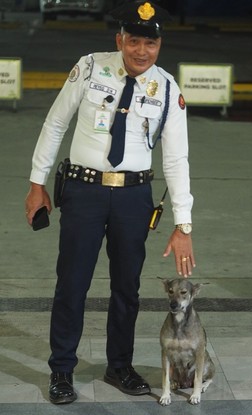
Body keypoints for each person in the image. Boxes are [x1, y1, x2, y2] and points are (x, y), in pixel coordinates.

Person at [24, 1, 195, 404]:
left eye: (150, 43)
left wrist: (183, 224)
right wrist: (37, 182)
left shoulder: (168, 89)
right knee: (73, 284)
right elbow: (55, 123)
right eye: (133, 41)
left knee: (127, 288)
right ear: (119, 39)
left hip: (135, 197)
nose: (141, 51)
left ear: (160, 44)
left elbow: (176, 159)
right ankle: (61, 370)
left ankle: (120, 365)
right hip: (84, 193)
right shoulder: (90, 68)